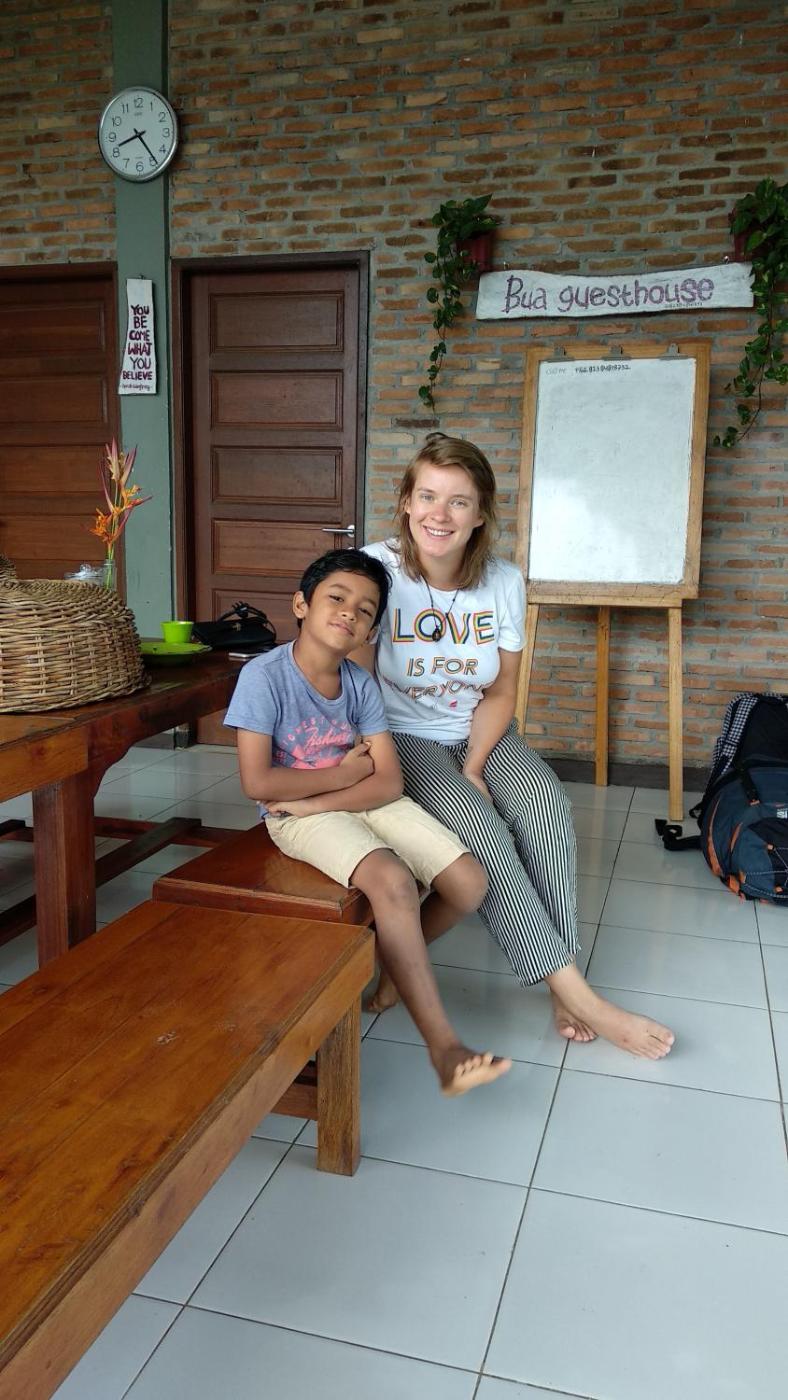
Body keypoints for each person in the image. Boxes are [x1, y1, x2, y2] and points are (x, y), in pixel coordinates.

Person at [360, 433, 675, 1060]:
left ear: (480, 513)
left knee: (545, 805)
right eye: (427, 496)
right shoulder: (374, 569)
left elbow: (503, 689)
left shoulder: (503, 580)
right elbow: (360, 686)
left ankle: (563, 978)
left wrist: (476, 764)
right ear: (405, 502)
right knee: (483, 830)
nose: (439, 515)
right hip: (400, 735)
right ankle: (578, 994)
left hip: (479, 728)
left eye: (458, 501)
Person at [224, 547, 512, 1096]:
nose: (349, 613)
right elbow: (259, 783)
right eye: (336, 598)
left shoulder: (359, 685)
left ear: (371, 631)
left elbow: (388, 784)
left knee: (469, 884)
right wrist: (340, 777)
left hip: (333, 802)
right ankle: (446, 1050)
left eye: (364, 610)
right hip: (294, 817)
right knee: (394, 882)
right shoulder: (264, 678)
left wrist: (326, 794)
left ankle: (391, 962)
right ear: (301, 605)